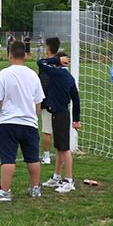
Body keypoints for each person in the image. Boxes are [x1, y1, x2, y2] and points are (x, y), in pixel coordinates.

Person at [0, 40, 46, 202]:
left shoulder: (4, 74)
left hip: (9, 123)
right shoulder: (33, 75)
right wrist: (34, 118)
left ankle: (5, 191)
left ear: (9, 55)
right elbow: (39, 103)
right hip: (29, 123)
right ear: (25, 55)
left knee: (7, 158)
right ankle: (35, 188)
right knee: (33, 157)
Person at [38, 49, 82, 192]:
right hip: (61, 114)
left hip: (60, 114)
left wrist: (56, 61)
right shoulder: (69, 77)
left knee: (64, 149)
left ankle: (69, 180)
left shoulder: (57, 73)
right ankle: (57, 177)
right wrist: (76, 119)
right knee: (59, 148)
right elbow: (76, 99)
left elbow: (40, 62)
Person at [37, 36, 64, 165]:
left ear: (48, 47)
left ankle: (47, 156)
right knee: (59, 130)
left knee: (47, 130)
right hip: (61, 102)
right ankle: (62, 153)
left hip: (49, 101)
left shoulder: (45, 63)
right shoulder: (62, 63)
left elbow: (44, 83)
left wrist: (41, 101)